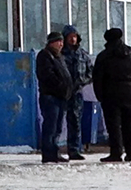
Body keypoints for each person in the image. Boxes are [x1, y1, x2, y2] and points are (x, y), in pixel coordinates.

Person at [92, 28, 131, 162]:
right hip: (129, 93)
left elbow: (98, 78)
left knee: (113, 125)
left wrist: (100, 95)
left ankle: (116, 152)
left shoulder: (103, 56)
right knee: (130, 124)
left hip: (110, 95)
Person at [37, 31, 73, 163]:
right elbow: (47, 76)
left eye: (62, 41)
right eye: (58, 41)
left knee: (57, 127)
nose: (61, 44)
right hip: (51, 96)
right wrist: (60, 86)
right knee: (50, 127)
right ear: (51, 42)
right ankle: (48, 154)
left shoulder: (59, 57)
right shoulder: (45, 56)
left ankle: (54, 152)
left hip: (61, 97)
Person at [60, 25, 93, 160]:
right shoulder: (60, 54)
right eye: (70, 37)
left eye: (74, 36)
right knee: (57, 122)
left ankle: (74, 150)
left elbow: (91, 72)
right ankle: (53, 149)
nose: (73, 39)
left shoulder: (82, 54)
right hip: (62, 92)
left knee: (76, 122)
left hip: (77, 92)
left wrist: (82, 81)